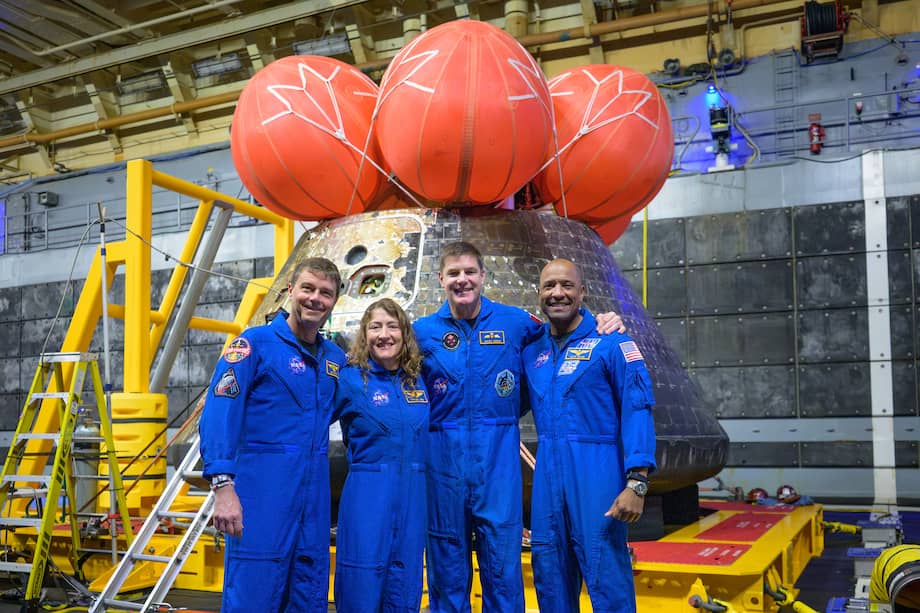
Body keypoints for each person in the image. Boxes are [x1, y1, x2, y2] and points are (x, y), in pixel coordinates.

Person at [412, 242, 625, 613]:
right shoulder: (421, 332)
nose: (462, 280)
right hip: (442, 459)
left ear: (483, 276)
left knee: (502, 566)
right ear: (440, 279)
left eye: (469, 272)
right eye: (454, 273)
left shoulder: (517, 324)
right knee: (446, 564)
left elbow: (566, 329)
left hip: (498, 462)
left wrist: (605, 320)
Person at [199, 257, 345, 613]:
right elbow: (220, 413)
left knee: (308, 596)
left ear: (335, 300)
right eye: (308, 288)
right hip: (261, 496)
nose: (315, 299)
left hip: (313, 504)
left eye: (325, 293)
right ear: (290, 290)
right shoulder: (254, 345)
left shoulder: (336, 360)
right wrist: (223, 487)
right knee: (254, 595)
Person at [521, 258, 657, 613]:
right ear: (539, 294)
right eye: (549, 286)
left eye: (566, 285)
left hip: (597, 473)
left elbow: (638, 409)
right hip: (548, 475)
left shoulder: (611, 342)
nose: (558, 293)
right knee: (549, 574)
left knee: (606, 573)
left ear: (582, 292)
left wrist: (637, 482)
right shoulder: (532, 351)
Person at [332, 298, 429, 612]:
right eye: (375, 327)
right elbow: (307, 419)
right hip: (367, 494)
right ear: (364, 334)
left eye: (392, 326)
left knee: (405, 583)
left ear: (404, 333)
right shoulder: (349, 379)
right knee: (362, 580)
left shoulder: (417, 380)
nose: (384, 334)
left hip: (414, 497)